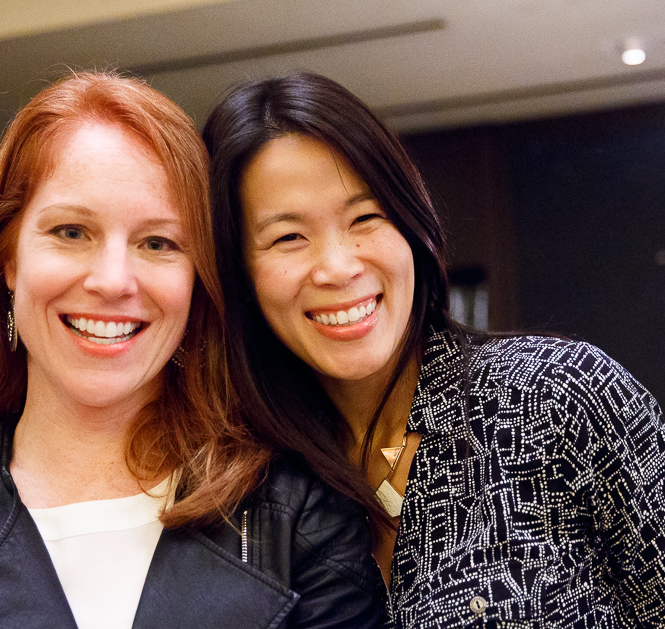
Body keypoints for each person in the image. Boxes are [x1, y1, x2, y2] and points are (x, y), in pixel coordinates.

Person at [0, 72, 385, 629]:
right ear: (7, 259)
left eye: (158, 242)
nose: (113, 280)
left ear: (198, 282)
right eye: (71, 232)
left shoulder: (300, 524)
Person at [202, 72, 665, 627]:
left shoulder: (554, 396)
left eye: (365, 217)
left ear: (410, 222)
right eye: (287, 237)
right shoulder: (247, 489)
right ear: (236, 271)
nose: (338, 267)